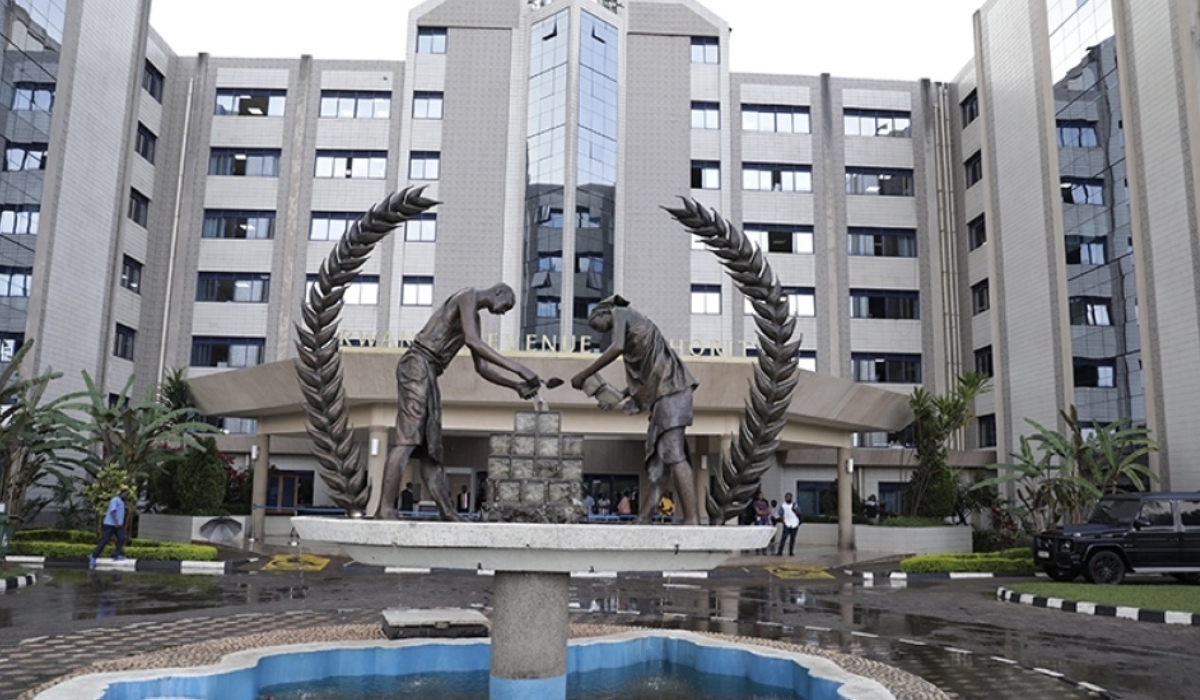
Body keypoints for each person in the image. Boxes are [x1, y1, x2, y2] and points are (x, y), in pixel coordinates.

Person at [375, 283, 541, 520]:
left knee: (432, 448)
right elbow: (473, 342)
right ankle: (385, 509)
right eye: (507, 305)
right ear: (498, 292)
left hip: (428, 372)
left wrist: (515, 386)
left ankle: (447, 512)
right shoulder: (467, 296)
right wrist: (519, 368)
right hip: (417, 364)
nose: (504, 311)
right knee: (408, 439)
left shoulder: (473, 318)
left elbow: (481, 367)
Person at [571, 295, 700, 525]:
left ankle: (692, 519)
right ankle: (643, 517)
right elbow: (647, 378)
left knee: (672, 454)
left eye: (596, 323)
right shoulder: (638, 337)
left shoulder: (622, 312)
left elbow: (616, 348)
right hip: (665, 395)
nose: (598, 329)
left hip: (673, 392)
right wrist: (619, 396)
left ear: (605, 310)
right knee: (658, 465)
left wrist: (584, 374)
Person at [90, 488, 130, 569]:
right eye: (125, 494)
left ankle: (117, 555)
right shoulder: (114, 500)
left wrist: (119, 524)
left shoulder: (122, 502)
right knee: (105, 540)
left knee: (122, 538)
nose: (126, 496)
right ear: (121, 493)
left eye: (127, 495)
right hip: (110, 524)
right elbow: (112, 512)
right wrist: (116, 522)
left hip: (118, 526)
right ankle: (93, 556)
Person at [775, 492, 803, 556]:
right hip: (787, 523)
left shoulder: (794, 505)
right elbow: (780, 513)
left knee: (793, 538)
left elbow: (799, 512)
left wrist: (795, 510)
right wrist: (782, 519)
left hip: (794, 523)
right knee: (784, 538)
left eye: (789, 497)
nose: (787, 498)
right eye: (786, 497)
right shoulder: (783, 505)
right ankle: (780, 551)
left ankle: (791, 551)